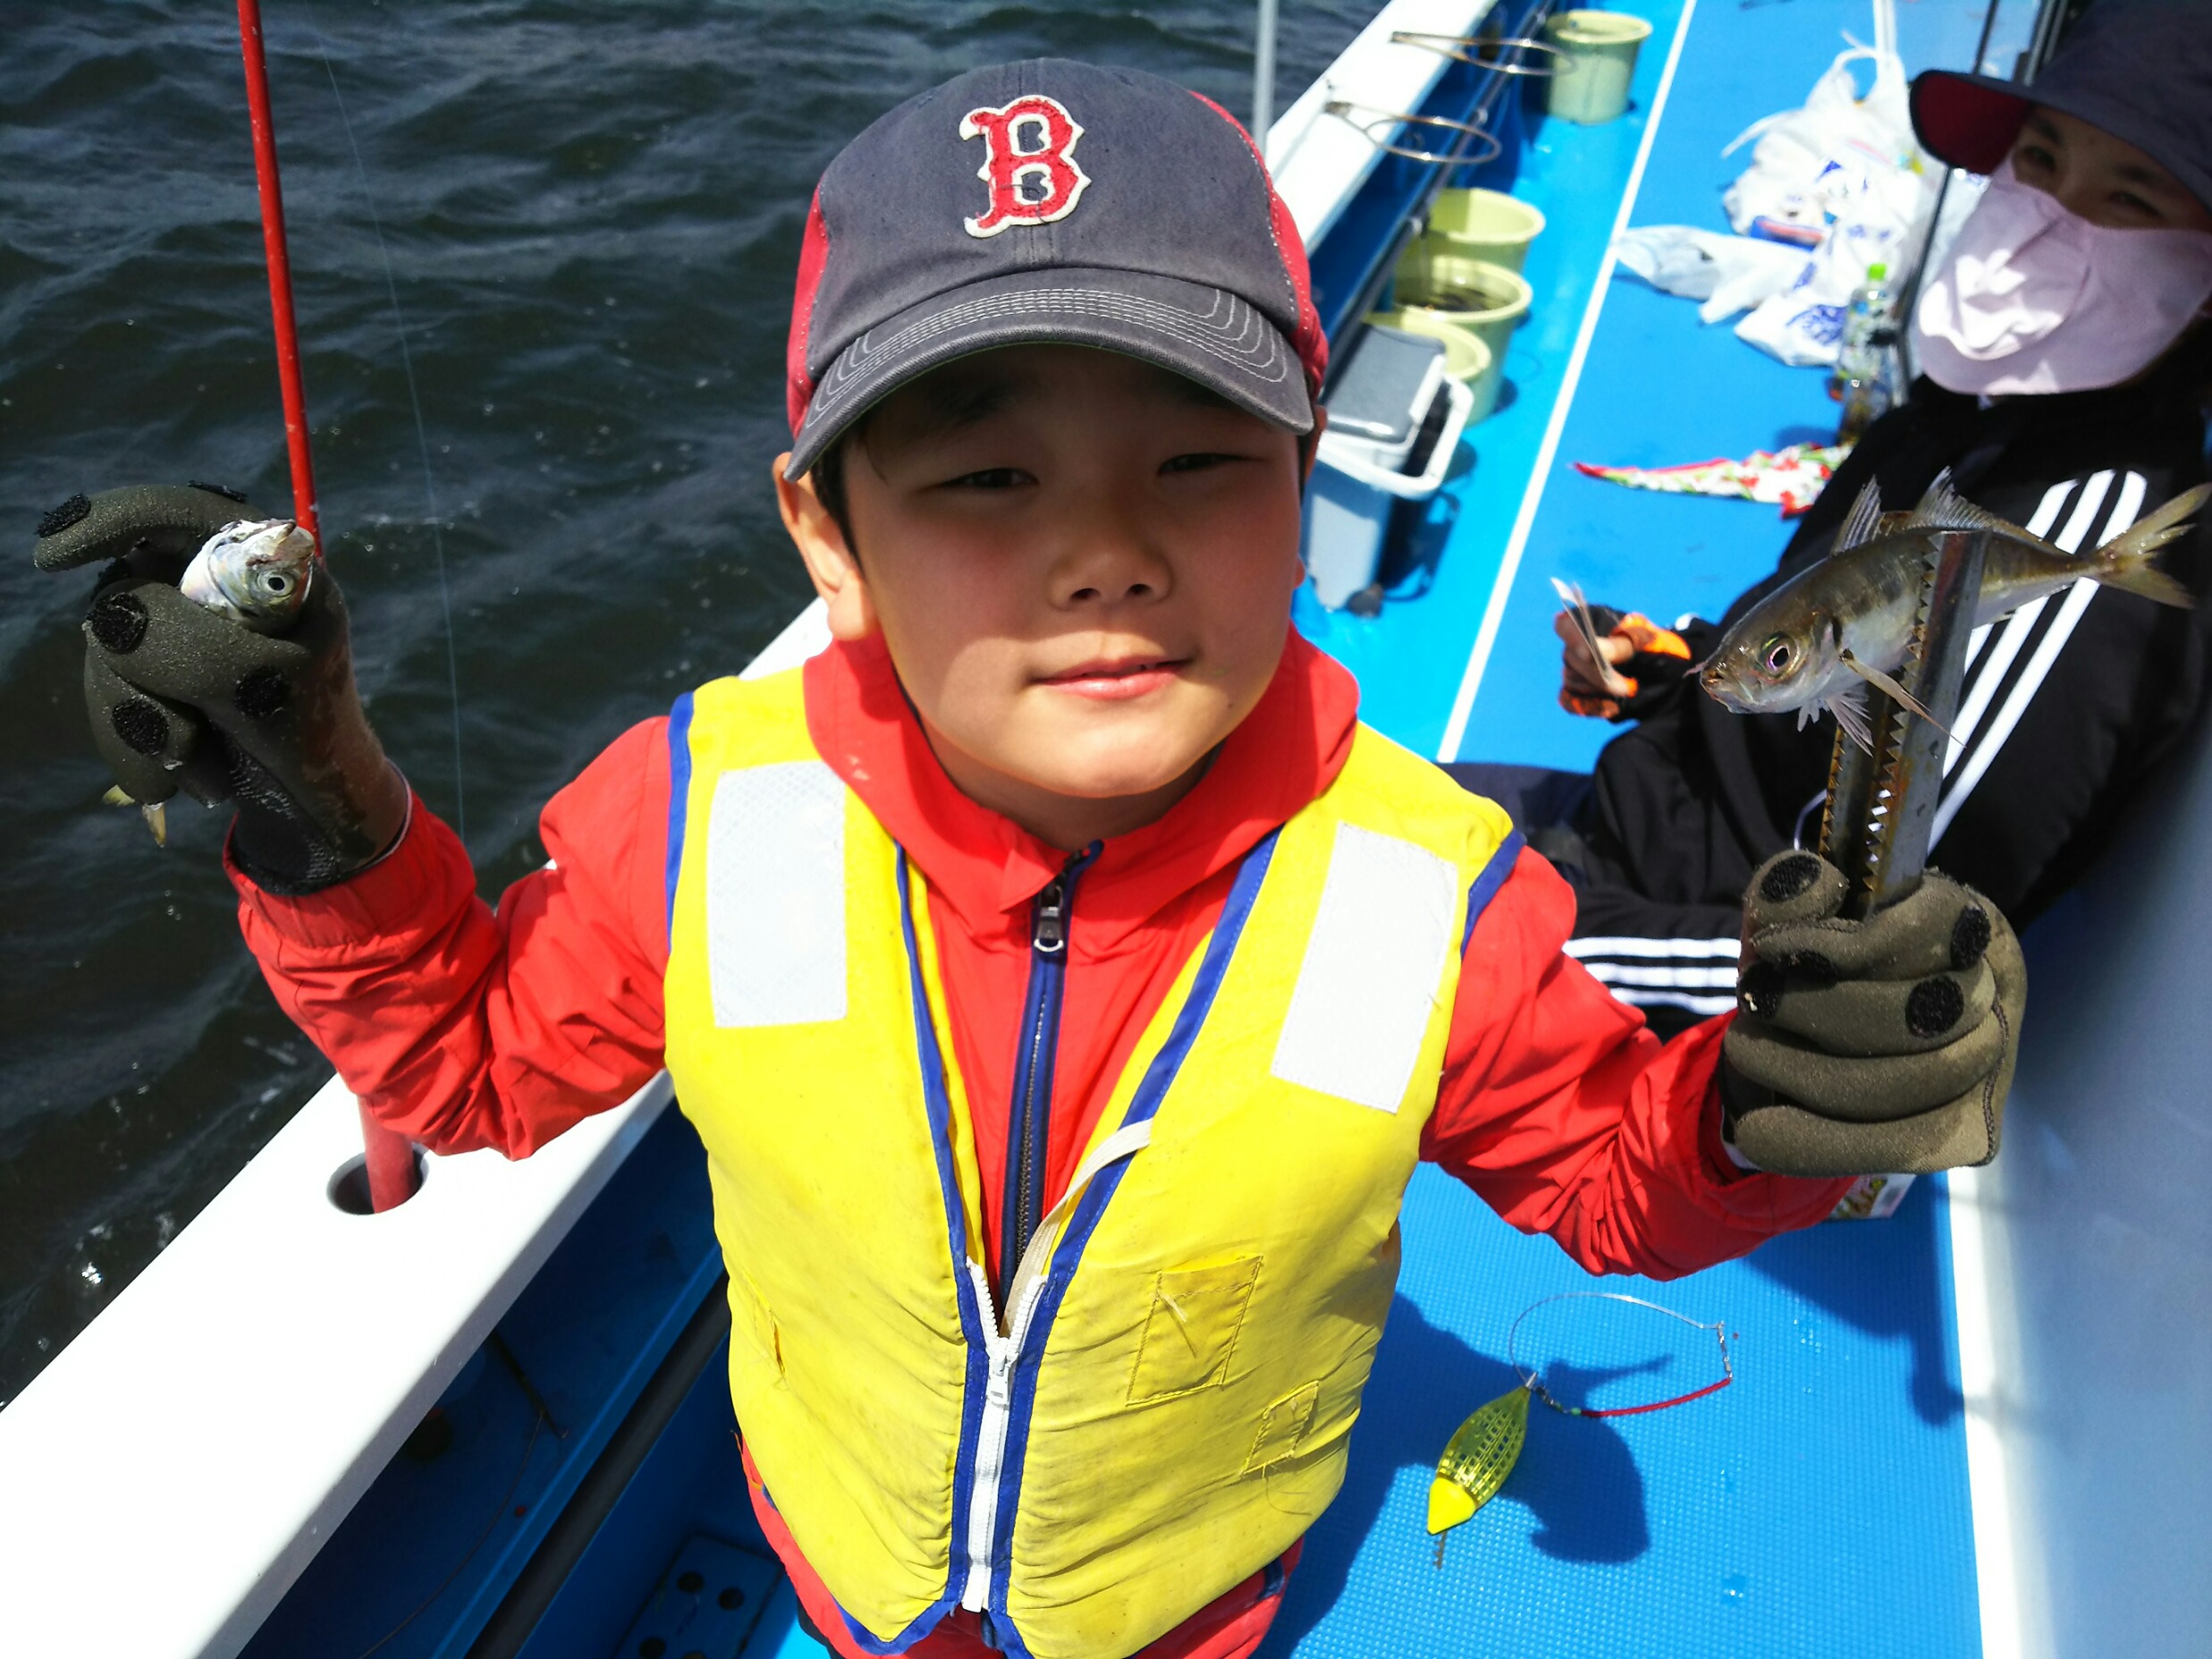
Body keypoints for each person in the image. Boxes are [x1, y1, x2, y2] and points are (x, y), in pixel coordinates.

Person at [35, 61, 2025, 1659]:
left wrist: (1782, 1113)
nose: (1107, 549)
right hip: (843, 1585)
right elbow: (467, 1066)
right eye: (986, 473)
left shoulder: (1429, 885)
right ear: (826, 535)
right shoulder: (700, 815)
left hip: (1200, 1612)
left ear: (1302, 465)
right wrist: (315, 804)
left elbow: (1607, 1177)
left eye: (1198, 458)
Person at [1520, 0, 2212, 1037]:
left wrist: (1501, 946)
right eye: (2037, 156)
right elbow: (1845, 652)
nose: (2046, 216)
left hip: (1670, 971)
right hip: (1633, 829)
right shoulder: (1964, 411)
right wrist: (1680, 668)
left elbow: (1862, 956)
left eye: (2128, 195)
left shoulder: (2080, 544)